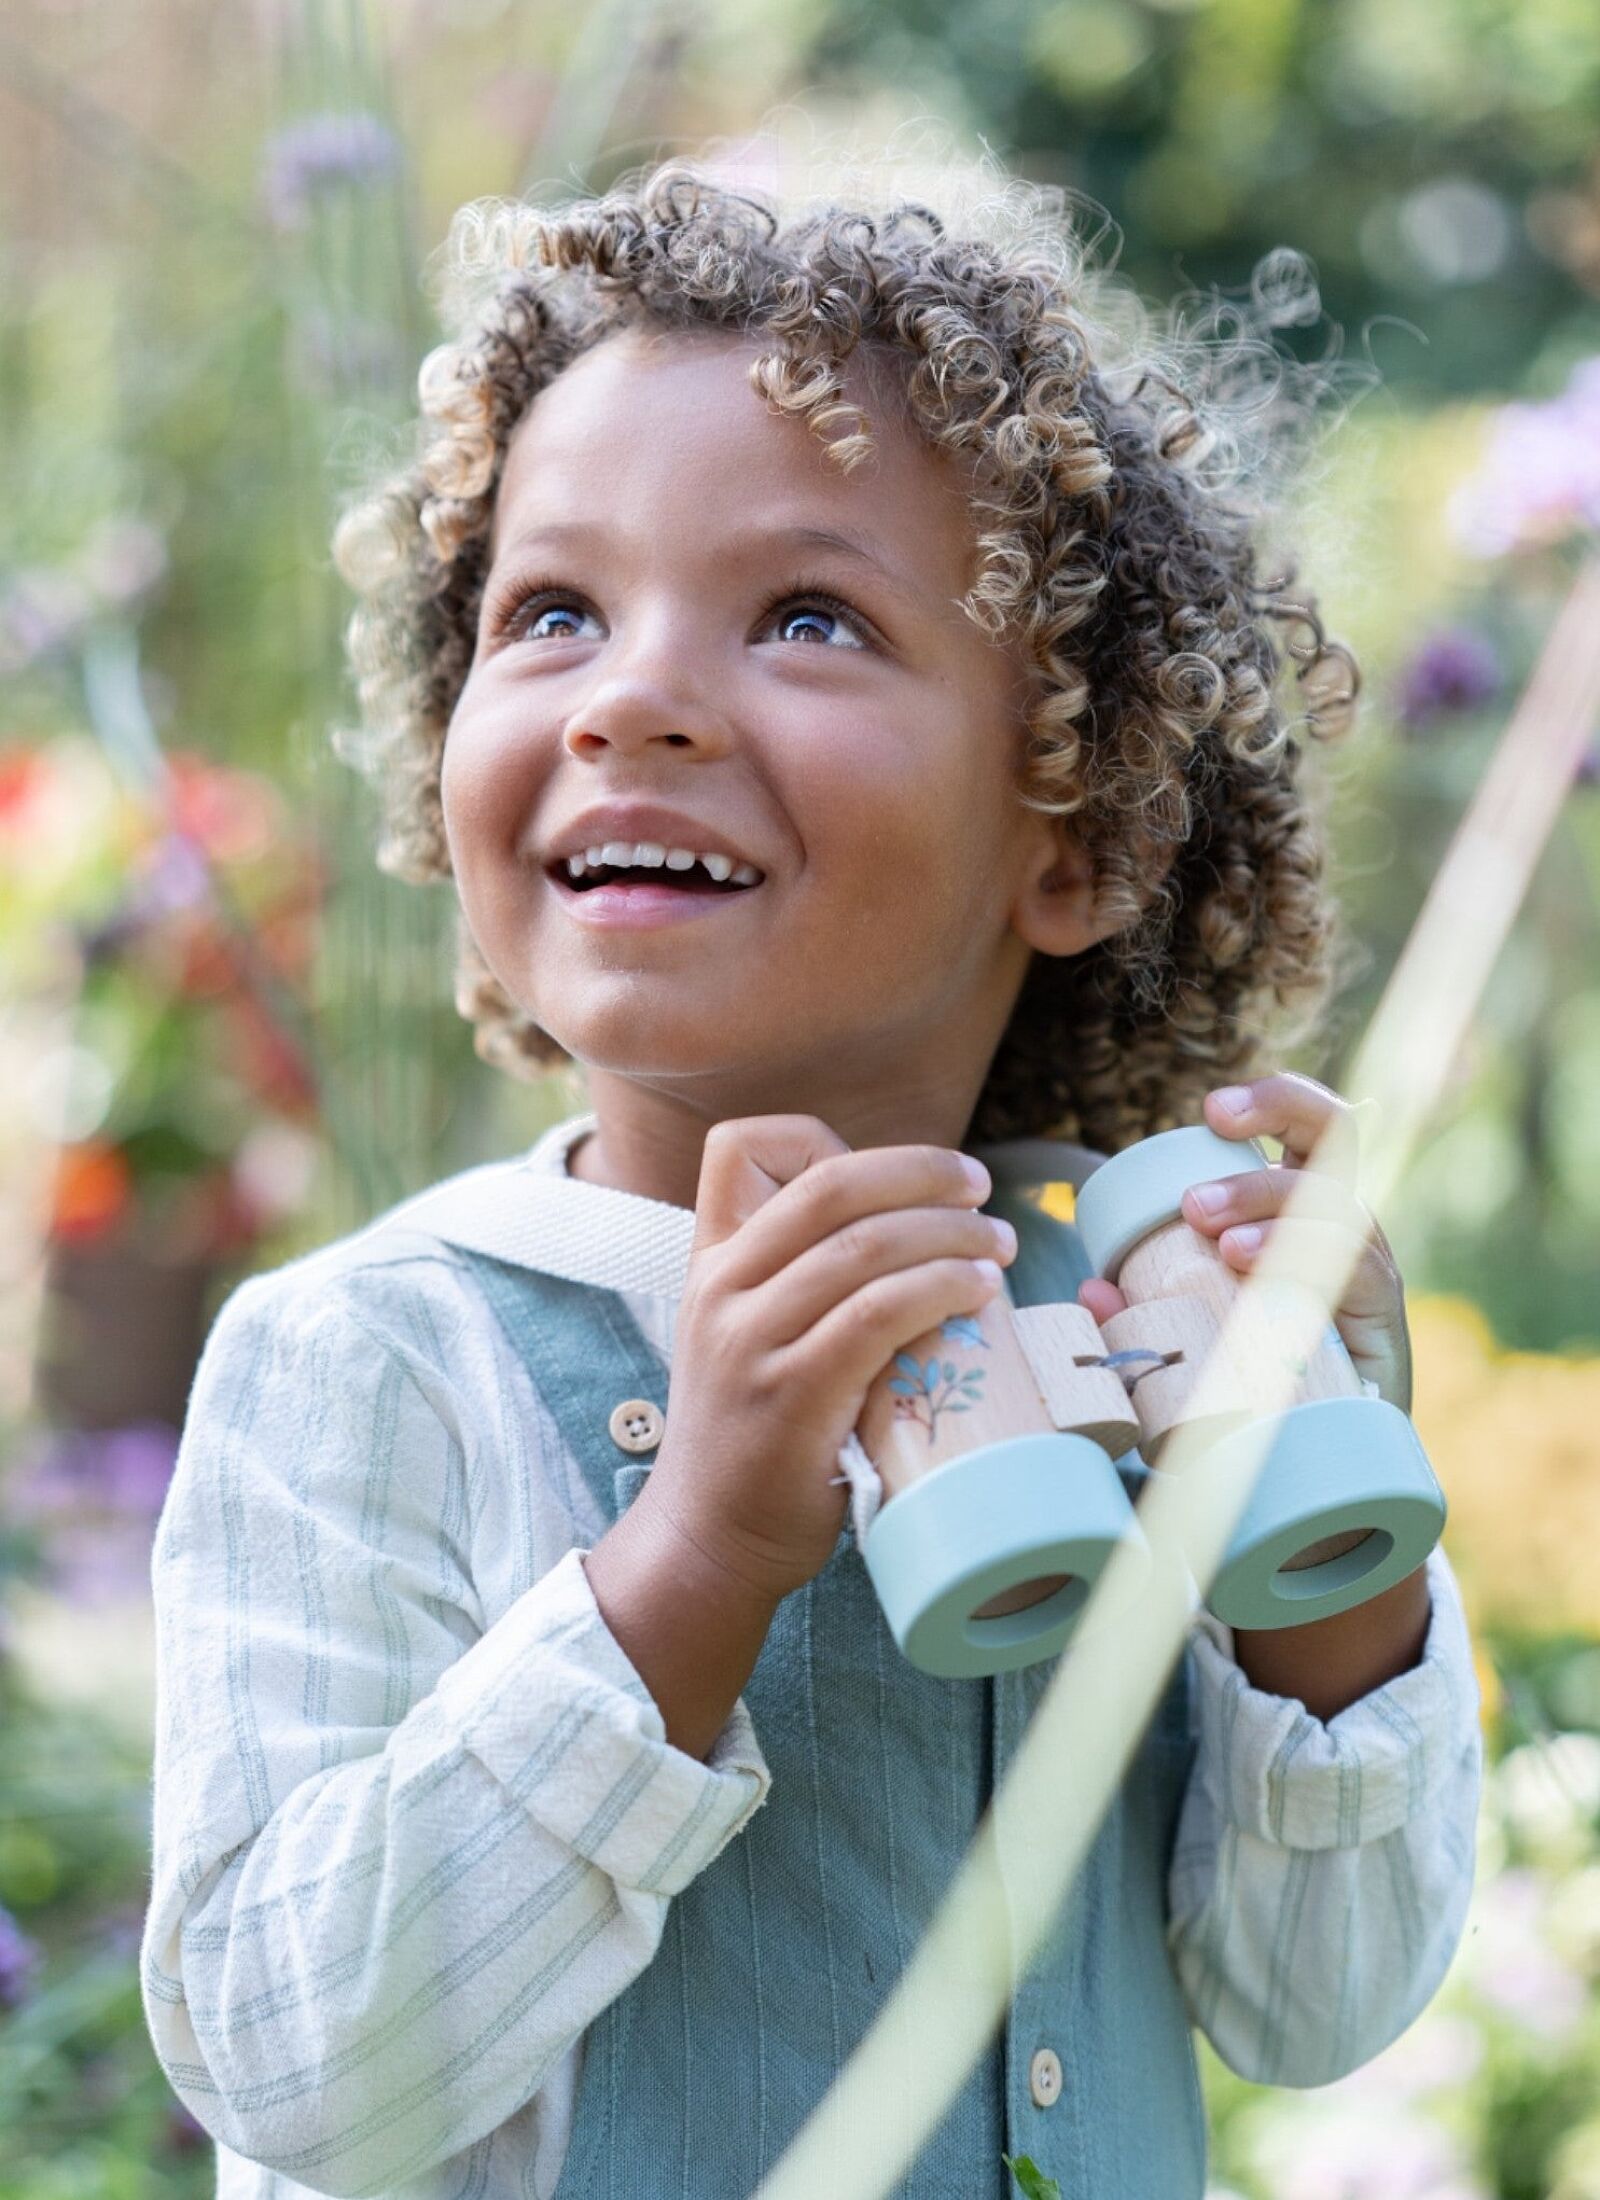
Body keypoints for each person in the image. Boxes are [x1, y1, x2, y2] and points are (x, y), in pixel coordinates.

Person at [139, 150, 1483, 2199]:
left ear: (1077, 833)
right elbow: (289, 2053)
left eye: (803, 614)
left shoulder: (1120, 1314)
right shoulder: (372, 1352)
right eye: (554, 607)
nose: (634, 700)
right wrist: (681, 1567)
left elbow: (1320, 2006)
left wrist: (1328, 1567)